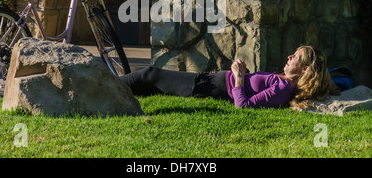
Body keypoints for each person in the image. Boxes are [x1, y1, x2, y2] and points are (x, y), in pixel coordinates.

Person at [120, 46, 340, 109]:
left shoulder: (282, 90)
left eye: (296, 57)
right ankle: (114, 89)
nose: (290, 56)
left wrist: (238, 77)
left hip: (205, 88)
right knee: (149, 85)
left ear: (304, 70)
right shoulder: (282, 79)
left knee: (150, 74)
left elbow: (242, 106)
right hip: (208, 79)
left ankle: (105, 86)